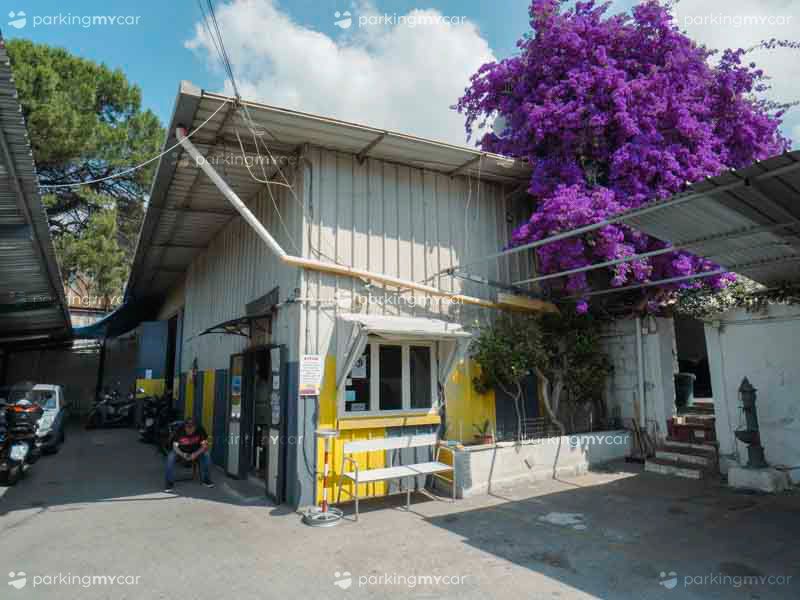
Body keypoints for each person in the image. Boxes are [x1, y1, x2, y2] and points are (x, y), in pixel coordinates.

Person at [165, 417, 214, 492]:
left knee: (207, 455)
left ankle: (206, 479)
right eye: (188, 427)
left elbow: (204, 446)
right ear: (184, 426)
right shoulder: (179, 430)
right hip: (181, 451)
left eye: (191, 428)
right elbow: (175, 447)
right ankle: (169, 482)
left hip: (196, 450)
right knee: (170, 458)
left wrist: (195, 454)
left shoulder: (200, 429)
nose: (189, 430)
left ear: (195, 427)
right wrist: (183, 455)